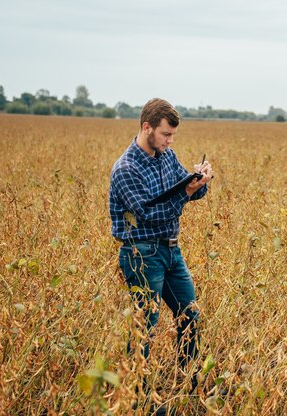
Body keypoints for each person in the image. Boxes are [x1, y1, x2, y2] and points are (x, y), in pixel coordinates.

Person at [109, 98, 213, 383]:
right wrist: (187, 193)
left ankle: (190, 383)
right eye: (166, 134)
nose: (169, 140)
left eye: (172, 135)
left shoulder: (167, 157)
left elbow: (187, 190)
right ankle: (137, 398)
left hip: (170, 250)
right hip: (141, 255)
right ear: (147, 128)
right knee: (145, 328)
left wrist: (201, 180)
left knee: (190, 315)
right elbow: (147, 215)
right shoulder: (126, 169)